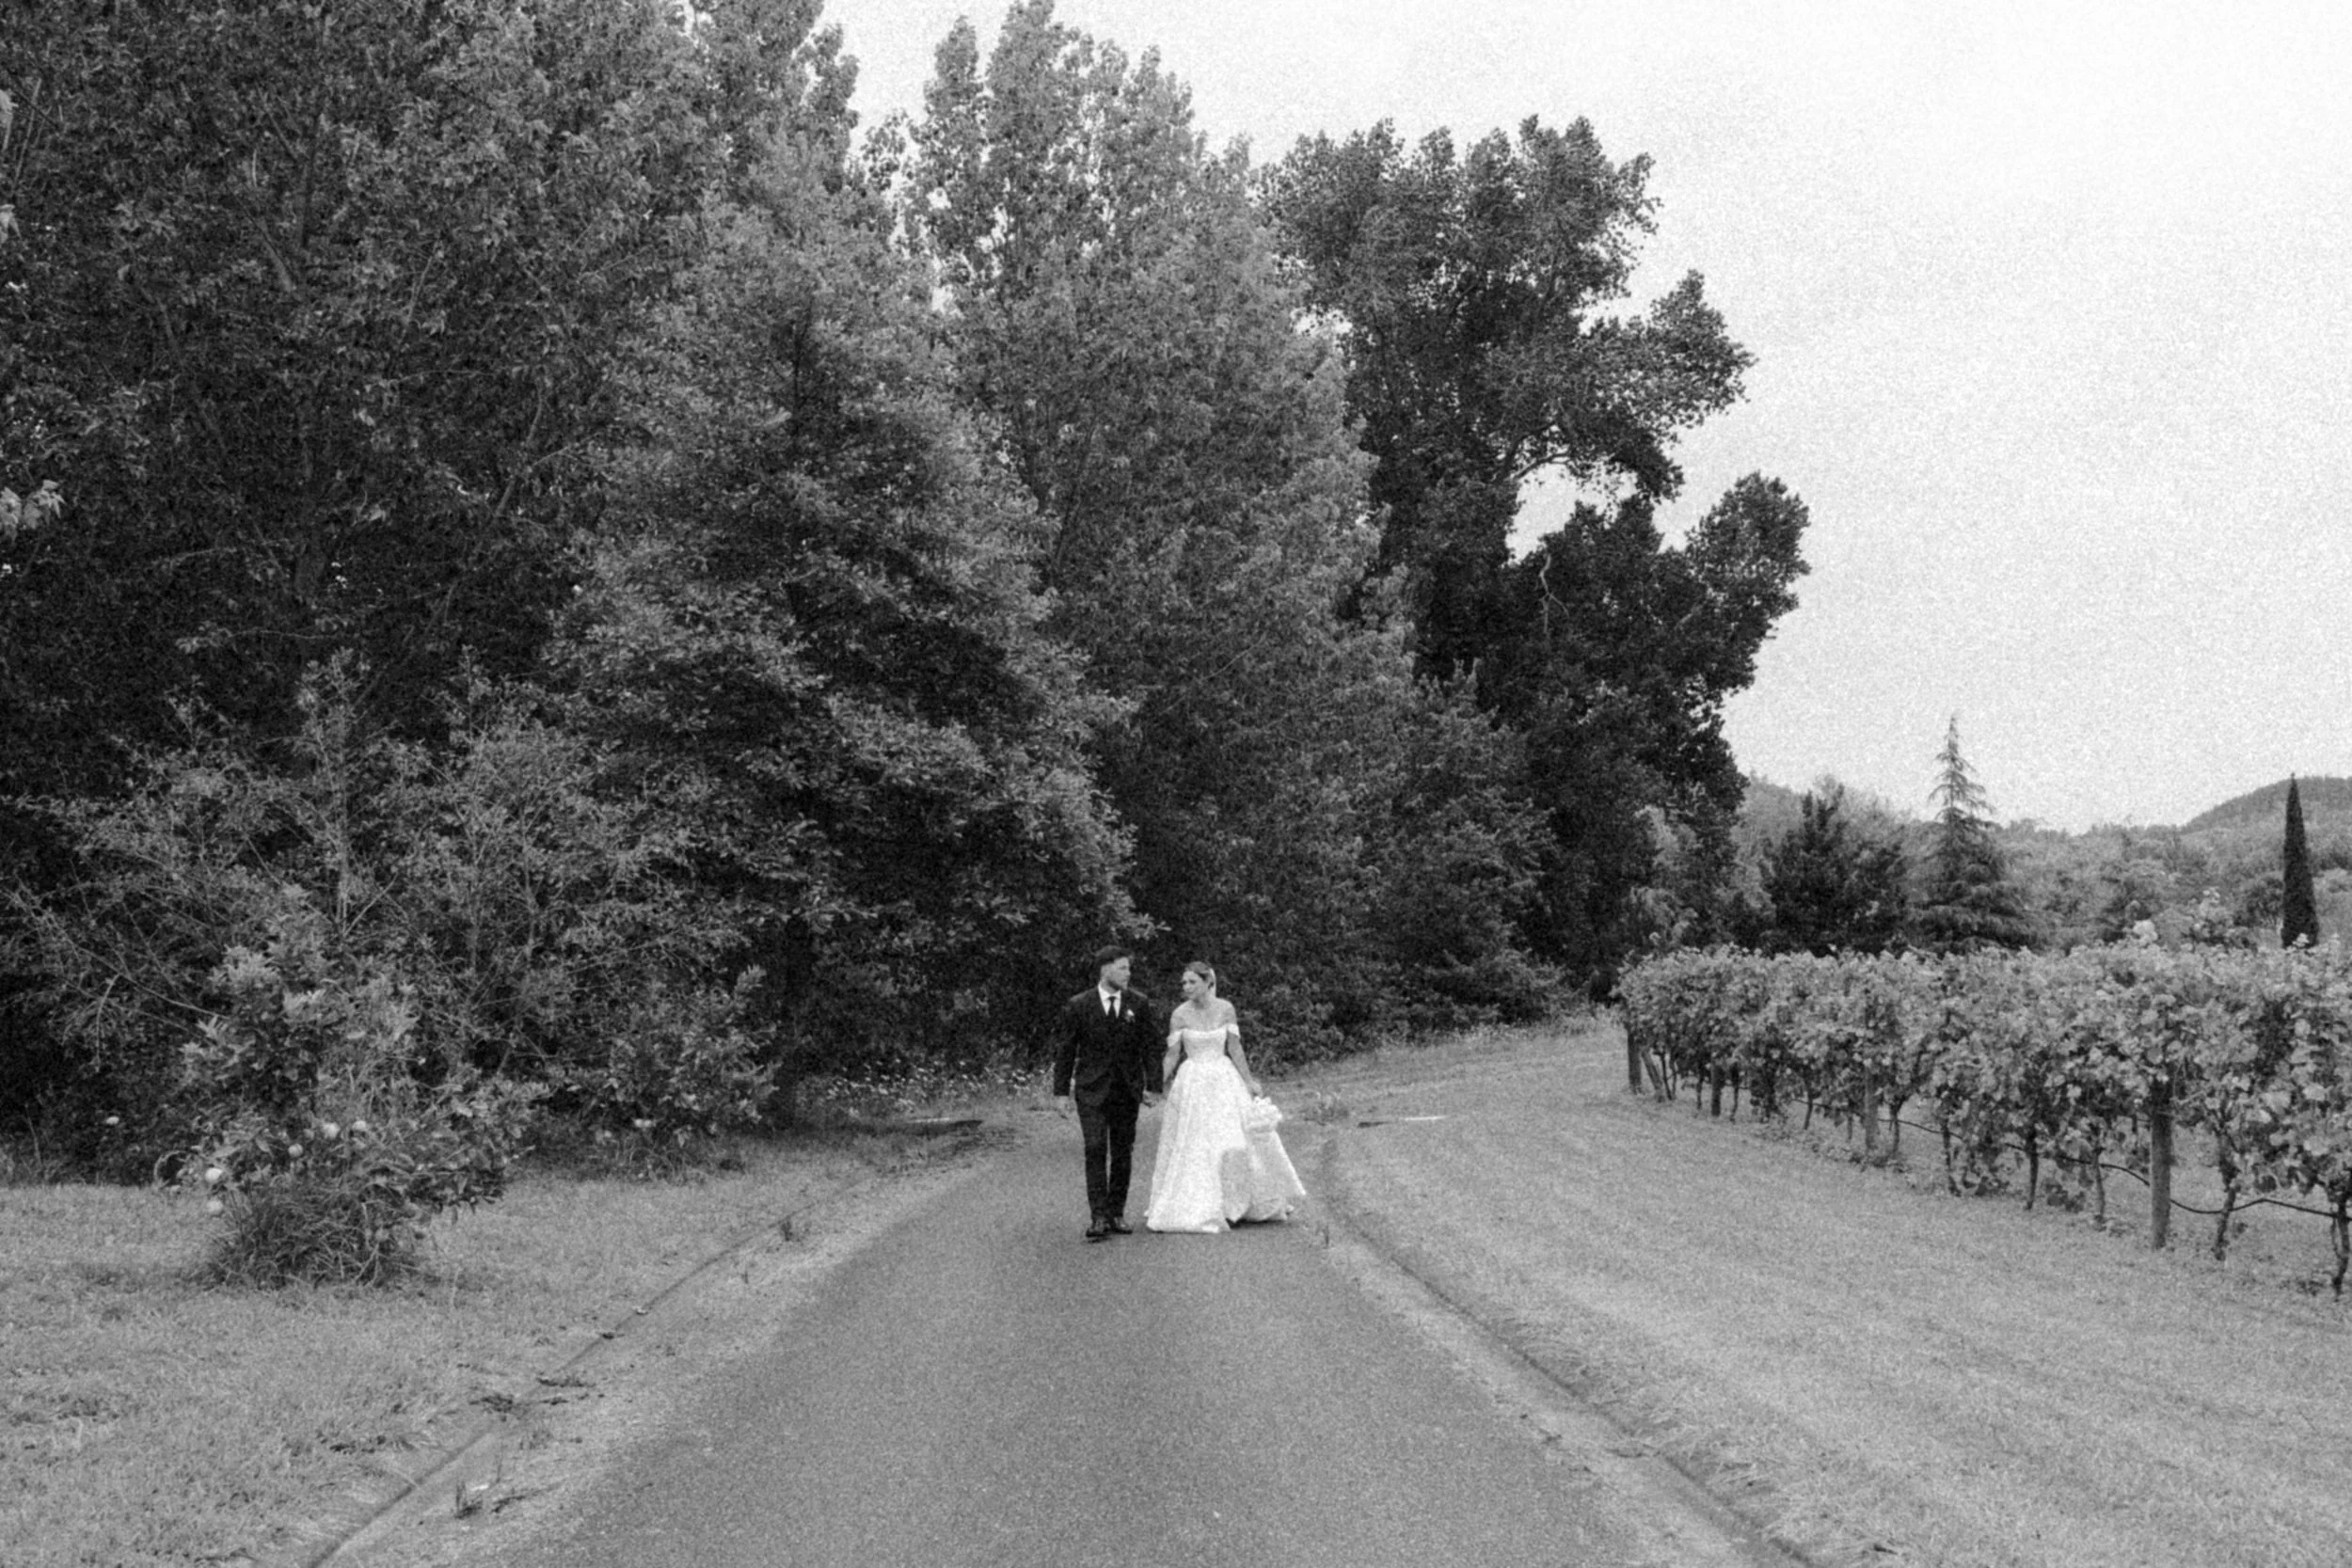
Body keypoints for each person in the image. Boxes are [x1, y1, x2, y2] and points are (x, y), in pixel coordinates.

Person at [1143, 961, 1306, 1233]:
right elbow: (1172, 1055)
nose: (1186, 987)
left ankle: (1237, 1202)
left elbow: (1234, 1048)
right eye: (1183, 983)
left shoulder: (1226, 1009)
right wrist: (1155, 1085)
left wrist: (1249, 1080)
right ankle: (1203, 1204)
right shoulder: (1179, 1015)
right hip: (1193, 1082)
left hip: (1223, 1079)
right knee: (1195, 1142)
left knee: (1233, 1139)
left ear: (1208, 982)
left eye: (1192, 982)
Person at [1051, 945, 1163, 1243]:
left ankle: (1117, 1212)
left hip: (1126, 1089)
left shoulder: (1138, 1004)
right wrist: (1060, 1092)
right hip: (1091, 1090)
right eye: (1123, 968)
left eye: (1129, 968)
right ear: (1105, 970)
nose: (1128, 973)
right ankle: (1098, 1216)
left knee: (1123, 1151)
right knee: (1095, 1147)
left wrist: (1154, 1086)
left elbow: (1151, 1048)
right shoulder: (1079, 1005)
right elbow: (1066, 1051)